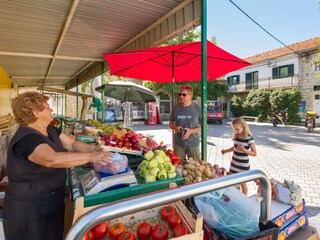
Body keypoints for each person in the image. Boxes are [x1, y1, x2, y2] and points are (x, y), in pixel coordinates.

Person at [3, 92, 113, 240]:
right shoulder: (27, 139)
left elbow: (71, 143)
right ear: (35, 112)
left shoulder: (49, 129)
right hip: (29, 209)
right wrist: (90, 157)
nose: (51, 110)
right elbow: (51, 159)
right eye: (47, 107)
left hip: (51, 200)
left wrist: (94, 149)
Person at [221, 117, 257, 195]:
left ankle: (244, 199)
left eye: (237, 129)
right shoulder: (236, 136)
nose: (236, 131)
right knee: (233, 182)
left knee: (242, 183)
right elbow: (235, 148)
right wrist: (226, 151)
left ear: (243, 127)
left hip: (243, 166)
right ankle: (237, 198)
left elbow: (254, 153)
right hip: (234, 164)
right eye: (234, 129)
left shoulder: (249, 138)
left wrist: (244, 150)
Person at [169, 84, 201, 161]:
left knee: (194, 170)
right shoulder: (176, 108)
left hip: (193, 145)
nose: (181, 96)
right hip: (178, 145)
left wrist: (191, 131)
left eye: (184, 95)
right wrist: (175, 128)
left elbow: (204, 127)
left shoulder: (197, 108)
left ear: (190, 95)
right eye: (179, 94)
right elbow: (170, 124)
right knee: (178, 168)